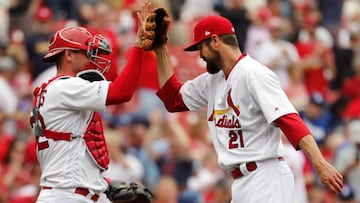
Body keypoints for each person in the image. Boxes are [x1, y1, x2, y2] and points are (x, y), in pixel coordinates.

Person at [153, 14, 343, 203]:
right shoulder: (212, 81)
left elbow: (289, 120)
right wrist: (161, 48)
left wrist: (319, 163)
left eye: (201, 47)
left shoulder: (253, 74)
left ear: (216, 41)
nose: (200, 55)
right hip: (242, 182)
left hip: (266, 176)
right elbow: (173, 99)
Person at [29, 1, 155, 203]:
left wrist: (104, 184)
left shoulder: (55, 89)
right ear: (68, 55)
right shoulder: (65, 87)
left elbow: (74, 149)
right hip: (67, 195)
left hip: (73, 192)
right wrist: (138, 47)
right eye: (86, 52)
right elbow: (122, 92)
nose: (91, 57)